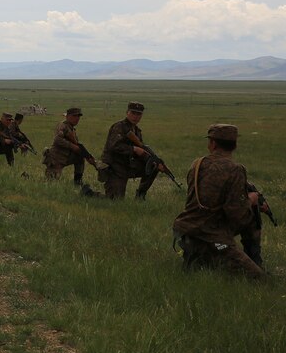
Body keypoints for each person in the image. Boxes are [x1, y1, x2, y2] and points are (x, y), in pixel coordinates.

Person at [172, 124, 265, 279]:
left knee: (208, 263)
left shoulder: (197, 164)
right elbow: (237, 213)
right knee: (257, 277)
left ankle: (200, 257)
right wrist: (252, 201)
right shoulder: (235, 169)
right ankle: (251, 260)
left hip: (186, 228)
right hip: (211, 234)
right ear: (235, 145)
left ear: (213, 143)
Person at [100, 101, 159, 199]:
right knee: (115, 200)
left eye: (138, 114)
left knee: (153, 167)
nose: (135, 116)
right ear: (127, 112)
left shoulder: (137, 131)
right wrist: (133, 149)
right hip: (115, 167)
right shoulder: (119, 127)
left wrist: (153, 161)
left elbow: (141, 151)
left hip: (128, 165)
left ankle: (140, 196)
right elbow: (113, 146)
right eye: (133, 113)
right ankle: (89, 193)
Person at [43, 107, 89, 185]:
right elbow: (57, 140)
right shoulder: (63, 126)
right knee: (51, 183)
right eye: (74, 116)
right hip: (56, 159)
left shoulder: (72, 129)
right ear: (67, 116)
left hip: (65, 157)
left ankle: (78, 182)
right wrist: (73, 147)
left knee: (80, 157)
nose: (77, 118)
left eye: (78, 116)